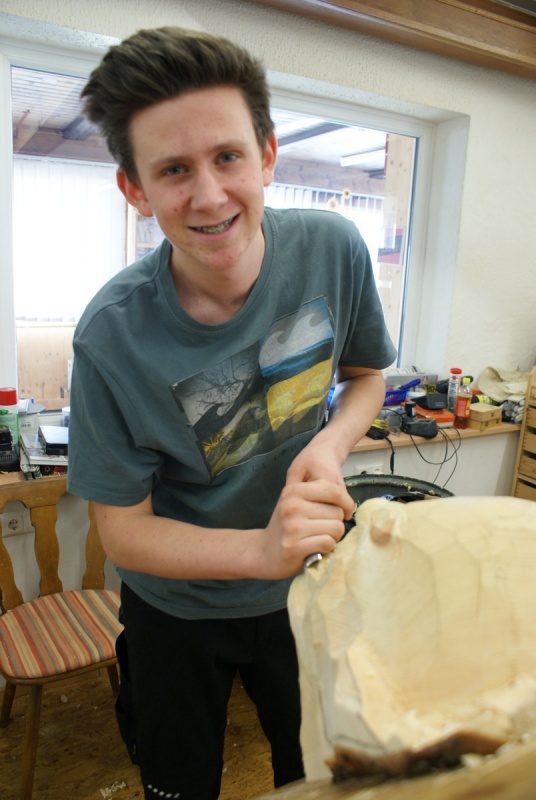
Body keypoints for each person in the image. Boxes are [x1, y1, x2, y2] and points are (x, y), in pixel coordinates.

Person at [67, 26, 397, 800]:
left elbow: (366, 378)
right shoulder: (111, 336)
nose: (210, 196)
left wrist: (330, 444)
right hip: (176, 610)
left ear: (267, 155)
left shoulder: (333, 248)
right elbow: (124, 531)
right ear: (136, 190)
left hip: (306, 589)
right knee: (179, 785)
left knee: (318, 772)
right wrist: (259, 551)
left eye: (227, 157)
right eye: (174, 170)